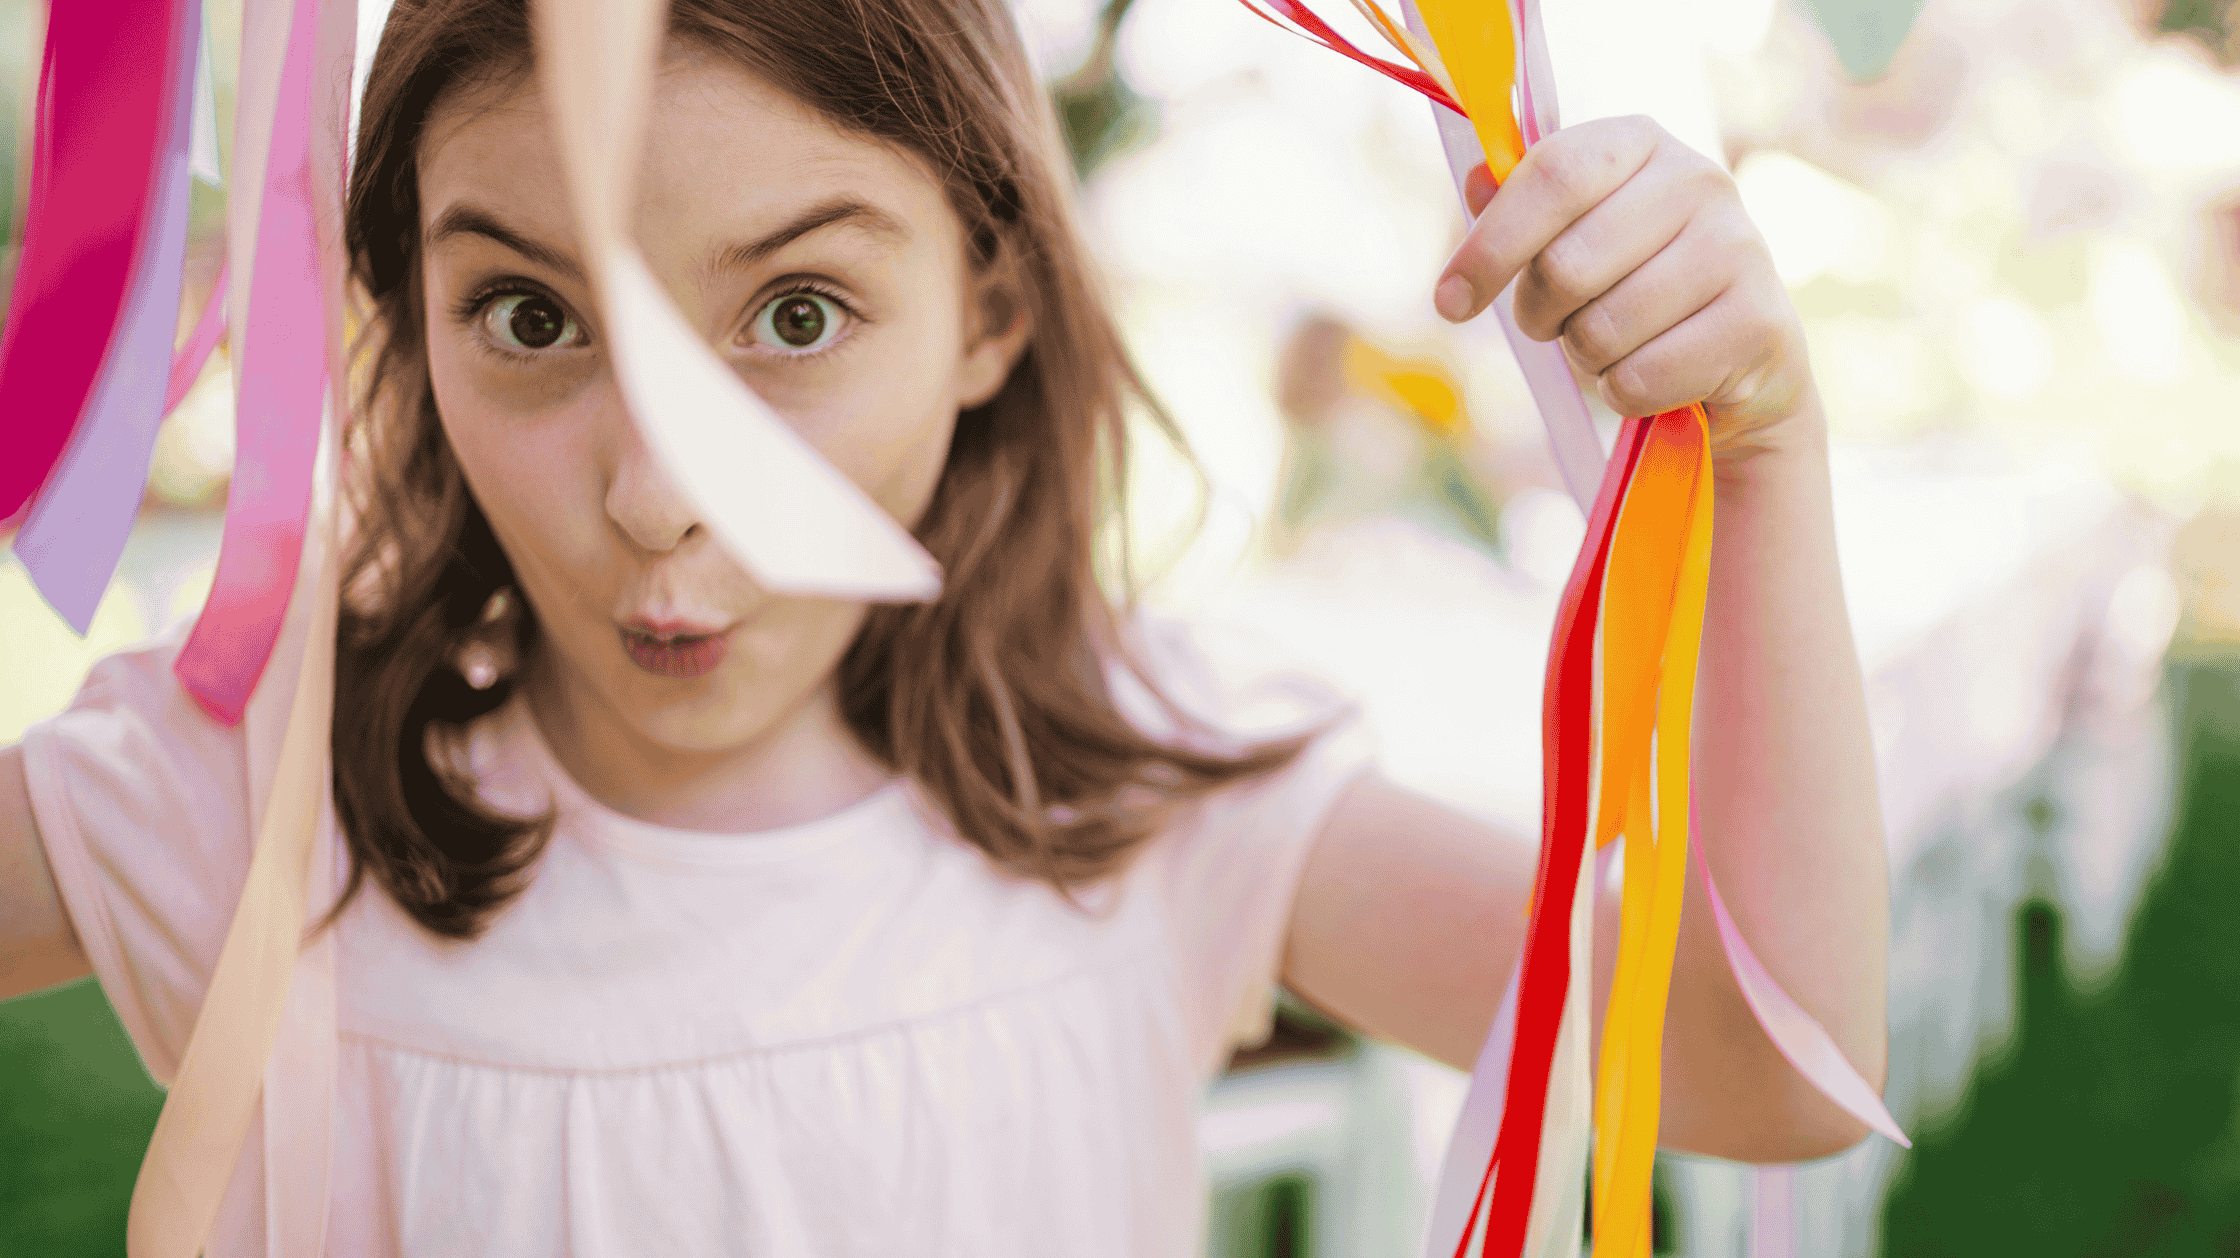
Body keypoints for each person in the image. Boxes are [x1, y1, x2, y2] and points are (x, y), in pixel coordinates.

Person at [0, 0, 1892, 1252]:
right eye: (532, 315)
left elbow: (1766, 1062)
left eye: (797, 315)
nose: (662, 493)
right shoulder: (255, 807)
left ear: (989, 311)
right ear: (406, 309)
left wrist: (1758, 454)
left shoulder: (1159, 796)